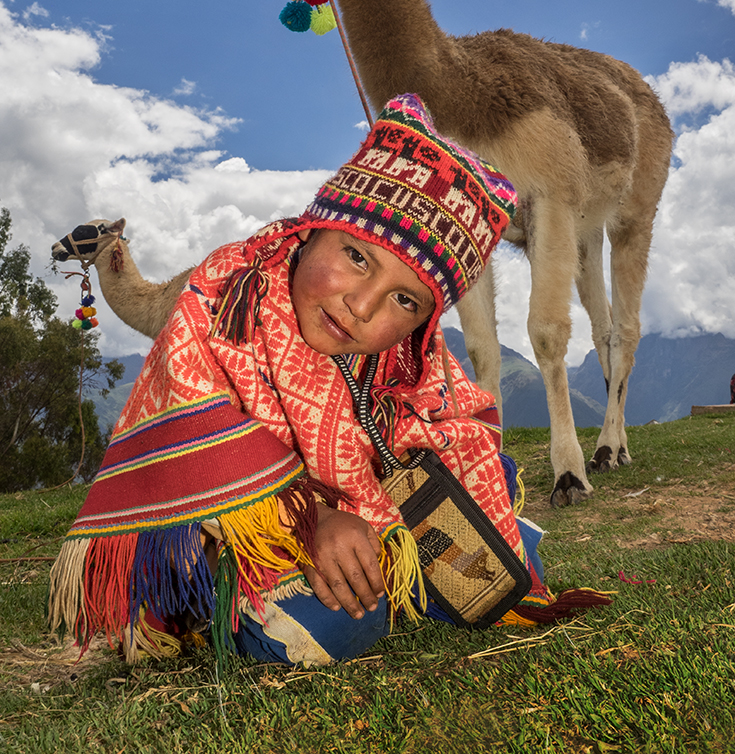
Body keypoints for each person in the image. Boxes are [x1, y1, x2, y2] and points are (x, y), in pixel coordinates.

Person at [48, 94, 600, 667]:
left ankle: (375, 570)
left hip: (347, 513)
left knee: (489, 498)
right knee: (342, 623)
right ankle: (203, 618)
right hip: (225, 534)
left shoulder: (409, 359)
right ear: (314, 228)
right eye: (358, 258)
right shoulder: (221, 305)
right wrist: (311, 520)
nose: (362, 305)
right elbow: (192, 454)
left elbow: (454, 426)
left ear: (424, 320)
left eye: (404, 299)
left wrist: (427, 489)